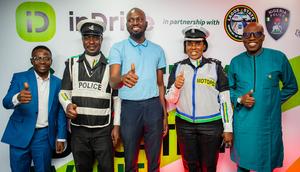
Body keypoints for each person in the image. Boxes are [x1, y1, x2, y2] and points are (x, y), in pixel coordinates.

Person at [228, 22, 298, 172]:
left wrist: (272, 100)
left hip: (268, 126)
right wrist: (240, 99)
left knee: (266, 165)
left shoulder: (278, 58)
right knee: (242, 165)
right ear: (242, 39)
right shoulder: (236, 62)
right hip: (243, 125)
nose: (251, 38)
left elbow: (292, 86)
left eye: (256, 34)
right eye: (247, 35)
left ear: (263, 37)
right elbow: (228, 90)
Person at [165, 26, 233, 172]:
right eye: (189, 43)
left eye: (197, 43)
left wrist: (228, 128)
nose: (193, 47)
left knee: (209, 167)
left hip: (211, 126)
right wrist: (176, 86)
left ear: (204, 45)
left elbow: (225, 100)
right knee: (190, 166)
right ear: (185, 46)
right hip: (185, 125)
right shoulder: (178, 67)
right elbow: (170, 99)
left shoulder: (215, 67)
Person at [109, 8, 168, 172]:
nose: (135, 22)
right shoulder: (117, 48)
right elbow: (113, 82)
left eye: (139, 19)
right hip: (129, 108)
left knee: (154, 160)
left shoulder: (158, 50)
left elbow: (160, 84)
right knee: (130, 160)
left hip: (153, 107)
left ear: (146, 23)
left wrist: (164, 113)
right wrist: (122, 78)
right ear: (127, 24)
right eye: (131, 19)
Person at [58, 19, 121, 172]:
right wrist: (67, 105)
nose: (91, 42)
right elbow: (63, 93)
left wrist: (117, 126)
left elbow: (117, 99)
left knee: (107, 169)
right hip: (79, 130)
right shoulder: (72, 63)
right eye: (87, 37)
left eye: (95, 37)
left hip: (103, 130)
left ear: (101, 39)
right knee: (82, 169)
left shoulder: (112, 65)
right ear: (82, 40)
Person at [1, 45, 67, 172]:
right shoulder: (20, 78)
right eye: (38, 58)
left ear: (51, 61)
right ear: (32, 61)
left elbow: (60, 112)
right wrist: (17, 98)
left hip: (43, 136)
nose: (42, 61)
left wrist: (61, 137)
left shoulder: (58, 82)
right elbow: (6, 102)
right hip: (19, 134)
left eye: (46, 58)